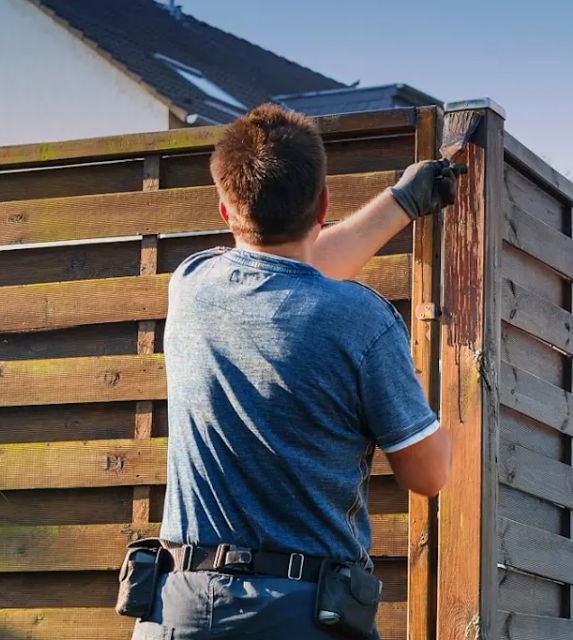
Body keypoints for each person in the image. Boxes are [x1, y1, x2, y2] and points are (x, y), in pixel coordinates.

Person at [129, 104, 453, 640]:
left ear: (225, 210)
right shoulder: (362, 321)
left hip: (177, 610)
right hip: (303, 616)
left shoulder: (191, 285)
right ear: (323, 202)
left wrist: (401, 205)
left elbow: (287, 274)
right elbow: (428, 475)